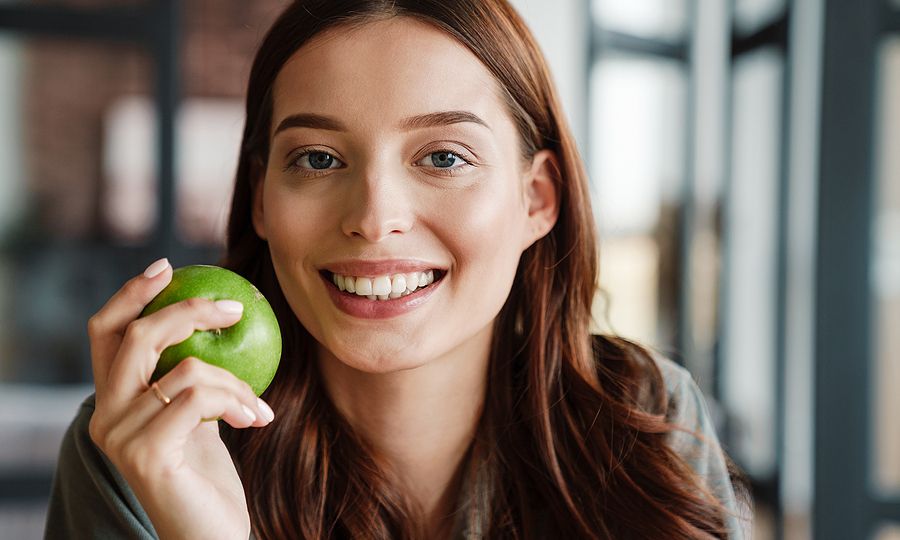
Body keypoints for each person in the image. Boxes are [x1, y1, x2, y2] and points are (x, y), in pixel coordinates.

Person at [45, 1, 751, 538]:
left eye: (443, 156)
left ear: (536, 199)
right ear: (260, 197)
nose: (374, 217)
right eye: (318, 158)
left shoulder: (640, 421)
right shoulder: (144, 441)